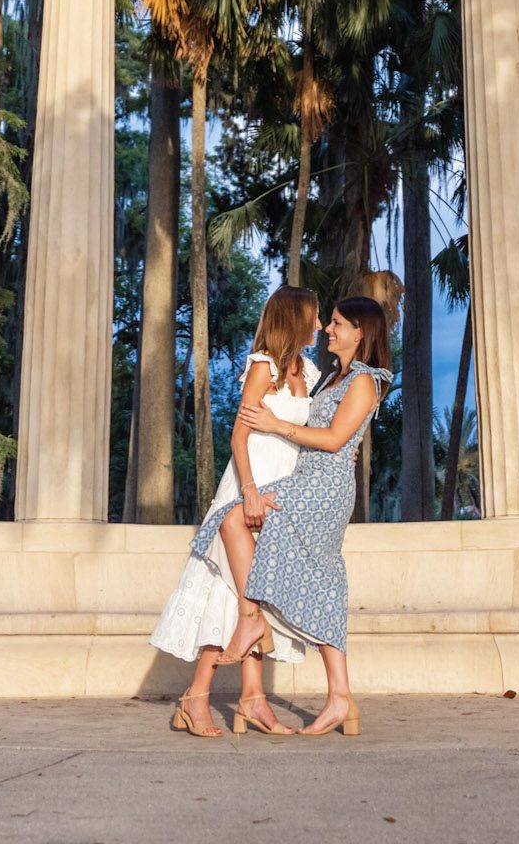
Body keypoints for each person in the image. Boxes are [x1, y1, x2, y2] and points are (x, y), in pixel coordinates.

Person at [197, 295, 392, 738]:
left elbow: (335, 438)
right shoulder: (334, 379)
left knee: (234, 520)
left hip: (324, 489)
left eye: (338, 323)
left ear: (360, 332)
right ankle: (340, 696)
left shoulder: (363, 380)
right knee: (321, 579)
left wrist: (276, 426)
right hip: (309, 479)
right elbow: (335, 431)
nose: (328, 329)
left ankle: (252, 619)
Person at [151, 285, 321, 737]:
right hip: (248, 486)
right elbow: (239, 438)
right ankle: (198, 700)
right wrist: (248, 490)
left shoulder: (308, 370)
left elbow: (305, 437)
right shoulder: (263, 366)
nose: (320, 326)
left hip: (283, 492)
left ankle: (251, 699)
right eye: (315, 318)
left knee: (254, 594)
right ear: (295, 319)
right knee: (229, 593)